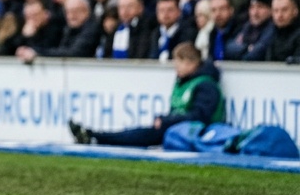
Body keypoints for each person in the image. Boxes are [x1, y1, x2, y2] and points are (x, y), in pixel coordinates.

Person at [70, 43, 223, 147]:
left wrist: (166, 121)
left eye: (179, 63)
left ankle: (96, 137)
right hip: (180, 129)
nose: (176, 67)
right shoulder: (184, 82)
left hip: (198, 132)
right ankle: (96, 136)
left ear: (191, 63)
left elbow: (199, 115)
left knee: (146, 133)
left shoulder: (206, 85)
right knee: (144, 132)